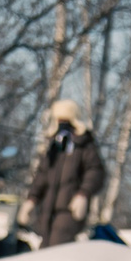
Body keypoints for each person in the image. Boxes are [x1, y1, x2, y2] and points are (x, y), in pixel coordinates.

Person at [22, 99, 104, 247]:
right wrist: (31, 199)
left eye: (66, 120)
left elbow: (95, 171)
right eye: (59, 120)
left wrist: (83, 195)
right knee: (44, 248)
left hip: (69, 210)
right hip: (47, 210)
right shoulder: (54, 147)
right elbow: (42, 175)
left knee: (57, 247)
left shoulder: (84, 145)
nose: (62, 124)